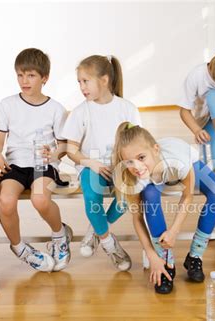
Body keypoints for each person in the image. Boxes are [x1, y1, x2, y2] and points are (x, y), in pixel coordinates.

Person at [113, 122, 215, 294]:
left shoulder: (179, 161)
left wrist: (173, 231)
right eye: (129, 162)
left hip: (186, 161)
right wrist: (152, 256)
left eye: (141, 158)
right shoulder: (134, 177)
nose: (136, 167)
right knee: (150, 196)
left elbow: (187, 196)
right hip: (156, 174)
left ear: (156, 150)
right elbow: (137, 218)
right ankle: (165, 261)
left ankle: (195, 255)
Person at [0, 48, 71, 272]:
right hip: (15, 164)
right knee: (5, 202)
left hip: (42, 164)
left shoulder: (55, 109)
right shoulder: (7, 105)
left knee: (40, 200)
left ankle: (59, 235)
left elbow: (64, 145)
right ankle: (19, 248)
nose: (24, 81)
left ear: (44, 78)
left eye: (31, 75)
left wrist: (54, 154)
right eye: (20, 75)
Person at [62, 55, 141, 271]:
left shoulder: (127, 108)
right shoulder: (81, 111)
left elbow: (137, 144)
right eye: (79, 82)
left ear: (104, 80)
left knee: (125, 198)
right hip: (91, 166)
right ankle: (108, 242)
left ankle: (96, 229)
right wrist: (92, 164)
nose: (81, 87)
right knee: (92, 199)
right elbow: (71, 150)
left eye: (85, 81)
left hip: (120, 166)